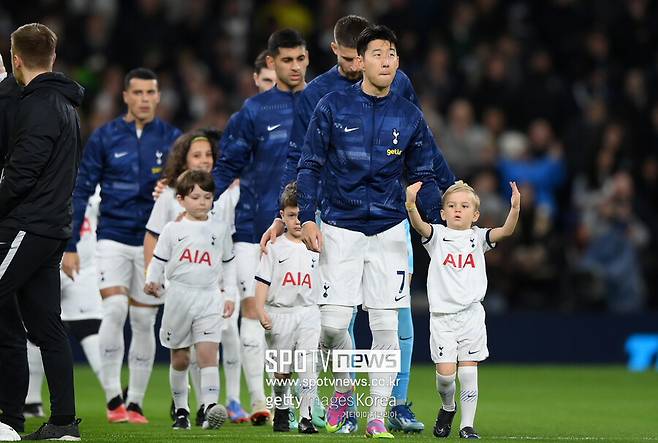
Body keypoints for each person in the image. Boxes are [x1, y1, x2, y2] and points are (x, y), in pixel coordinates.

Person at [261, 15, 456, 433]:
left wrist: (448, 215)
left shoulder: (408, 113)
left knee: (386, 324)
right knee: (331, 325)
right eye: (377, 54)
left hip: (388, 229)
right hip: (339, 228)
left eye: (392, 55)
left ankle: (377, 416)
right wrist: (301, 216)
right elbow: (307, 164)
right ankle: (345, 393)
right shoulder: (329, 104)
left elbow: (426, 171)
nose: (386, 61)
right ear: (359, 62)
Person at [62, 68, 181, 424]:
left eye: (151, 92)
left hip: (152, 242)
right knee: (113, 309)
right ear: (126, 96)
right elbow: (82, 189)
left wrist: (172, 192)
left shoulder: (174, 140)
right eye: (138, 92)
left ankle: (136, 403)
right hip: (111, 236)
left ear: (158, 97)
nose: (145, 99)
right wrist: (69, 243)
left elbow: (193, 190)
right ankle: (114, 398)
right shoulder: (104, 137)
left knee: (144, 321)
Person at [212, 28, 308, 425]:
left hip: (310, 230)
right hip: (255, 230)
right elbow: (226, 169)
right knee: (256, 315)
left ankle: (308, 405)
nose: (296, 67)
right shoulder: (253, 112)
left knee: (314, 320)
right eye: (287, 60)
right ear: (271, 62)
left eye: (301, 59)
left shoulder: (325, 103)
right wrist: (193, 206)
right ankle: (259, 401)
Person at [0, 23, 84, 440]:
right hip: (52, 228)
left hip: (29, 226)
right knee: (47, 326)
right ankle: (64, 423)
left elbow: (20, 177)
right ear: (52, 56)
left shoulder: (37, 107)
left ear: (16, 58)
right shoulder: (66, 105)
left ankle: (9, 416)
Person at [405, 180, 521, 439]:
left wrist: (514, 208)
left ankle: (467, 425)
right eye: (452, 206)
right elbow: (418, 225)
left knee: (468, 372)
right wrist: (411, 204)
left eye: (465, 206)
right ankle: (448, 407)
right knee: (446, 377)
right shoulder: (436, 236)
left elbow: (505, 231)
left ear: (475, 214)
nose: (458, 210)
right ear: (443, 213)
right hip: (442, 318)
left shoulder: (478, 237)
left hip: (471, 315)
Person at [145, 128, 244, 425]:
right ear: (181, 199)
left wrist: (227, 295)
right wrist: (153, 279)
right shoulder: (173, 229)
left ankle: (209, 406)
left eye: (207, 197)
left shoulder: (220, 228)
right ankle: (182, 409)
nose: (202, 202)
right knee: (180, 357)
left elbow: (228, 262)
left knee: (208, 353)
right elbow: (160, 257)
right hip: (179, 295)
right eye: (196, 197)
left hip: (209, 296)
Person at [25, 189, 104, 418]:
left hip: (75, 262)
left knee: (75, 327)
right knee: (36, 326)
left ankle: (114, 396)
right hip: (50, 255)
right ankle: (30, 401)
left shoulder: (88, 180)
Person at [254, 182, 320, 434]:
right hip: (279, 312)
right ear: (282, 215)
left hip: (307, 312)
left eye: (302, 215)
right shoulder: (274, 247)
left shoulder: (315, 246)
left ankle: (306, 418)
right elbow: (262, 282)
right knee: (282, 371)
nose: (297, 221)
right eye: (292, 215)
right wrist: (260, 310)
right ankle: (281, 409)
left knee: (307, 365)